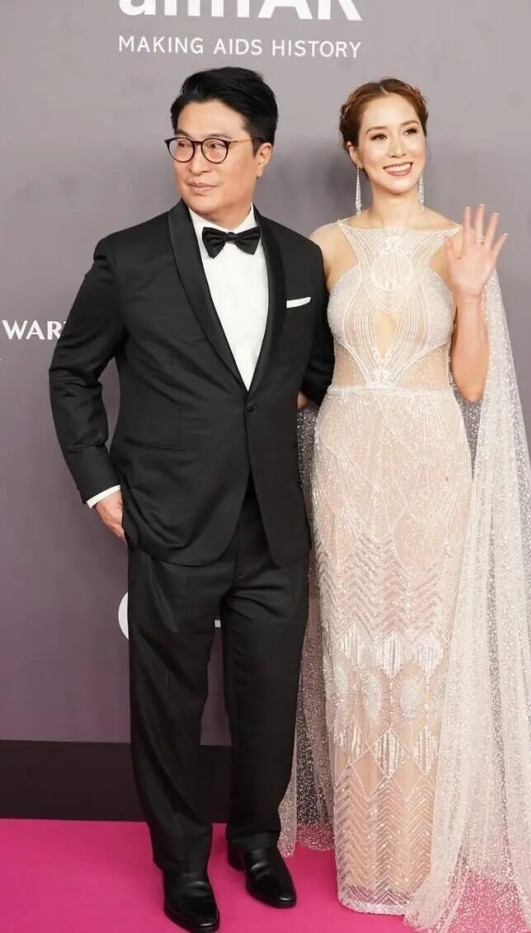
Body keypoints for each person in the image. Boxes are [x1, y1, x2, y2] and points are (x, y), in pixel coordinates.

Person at [286, 78, 531, 933]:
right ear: (353, 152)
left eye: (408, 131)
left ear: (426, 139)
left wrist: (467, 290)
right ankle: (368, 856)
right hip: (348, 462)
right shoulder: (325, 246)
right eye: (378, 135)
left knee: (425, 655)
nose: (397, 149)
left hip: (430, 462)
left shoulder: (461, 243)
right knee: (354, 651)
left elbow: (472, 382)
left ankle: (421, 858)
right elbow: (302, 371)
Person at [49, 67, 334, 933]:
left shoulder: (301, 258)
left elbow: (314, 372)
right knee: (167, 702)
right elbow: (71, 372)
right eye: (184, 143)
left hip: (274, 523)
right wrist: (101, 483)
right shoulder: (128, 257)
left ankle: (256, 840)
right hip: (170, 520)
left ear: (262, 154)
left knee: (269, 697)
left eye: (218, 145)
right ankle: (180, 859)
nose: (197, 162)